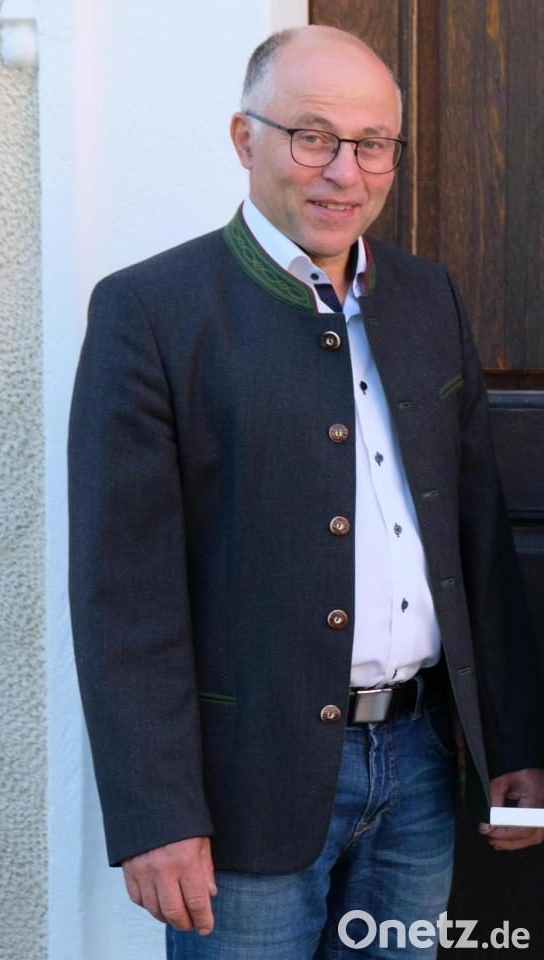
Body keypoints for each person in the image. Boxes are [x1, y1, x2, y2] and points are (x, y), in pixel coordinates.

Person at [68, 25, 544, 959]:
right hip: (246, 790)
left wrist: (516, 746)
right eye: (313, 136)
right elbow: (124, 595)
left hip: (422, 768)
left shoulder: (429, 297)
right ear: (245, 139)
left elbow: (477, 542)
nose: (344, 173)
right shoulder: (151, 312)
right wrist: (156, 814)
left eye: (372, 144)